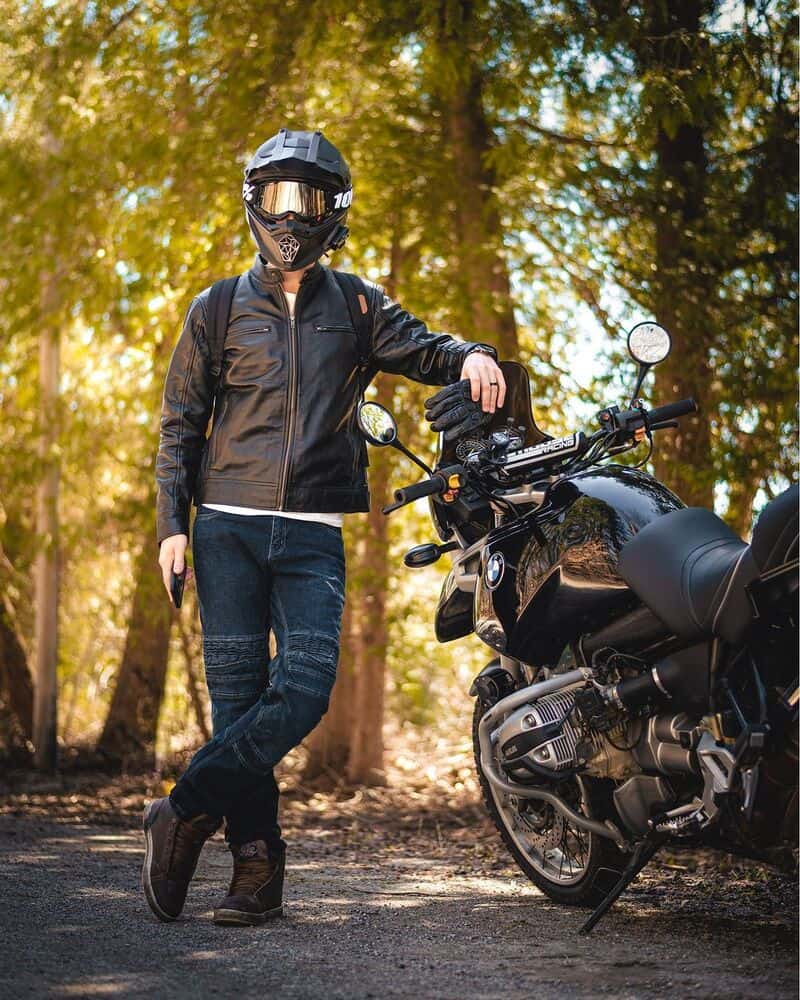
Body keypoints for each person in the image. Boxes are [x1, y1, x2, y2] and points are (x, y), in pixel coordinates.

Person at [144, 127, 507, 926]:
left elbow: (425, 350)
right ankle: (256, 873)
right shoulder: (215, 308)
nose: (289, 214)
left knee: (304, 692)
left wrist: (473, 354)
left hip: (311, 531)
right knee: (238, 705)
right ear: (254, 203)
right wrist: (172, 524)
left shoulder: (359, 305)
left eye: (304, 198)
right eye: (276, 197)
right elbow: (180, 424)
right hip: (225, 527)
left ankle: (183, 811)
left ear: (332, 209)